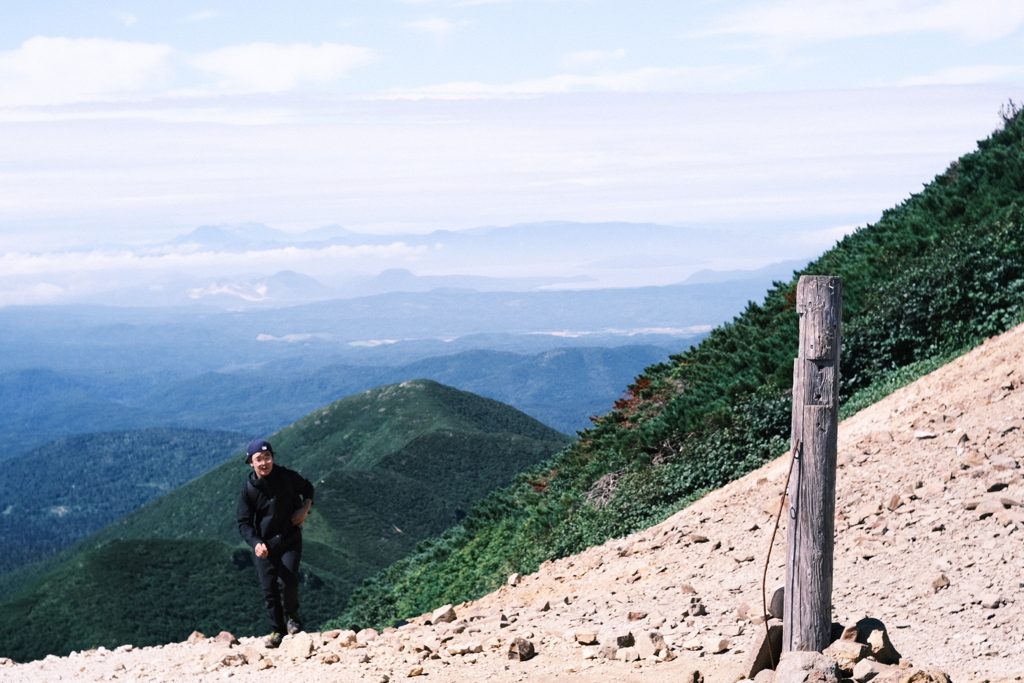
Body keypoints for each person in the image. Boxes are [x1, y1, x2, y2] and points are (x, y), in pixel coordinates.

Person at [237, 438, 315, 648]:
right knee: (269, 590)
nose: (264, 463)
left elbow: (308, 488)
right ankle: (277, 631)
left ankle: (293, 617)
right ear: (251, 463)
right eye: (259, 459)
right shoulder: (249, 489)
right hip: (265, 545)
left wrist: (304, 510)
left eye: (268, 457)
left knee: (287, 581)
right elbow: (244, 522)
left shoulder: (287, 477)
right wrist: (255, 542)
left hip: (290, 539)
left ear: (273, 457)